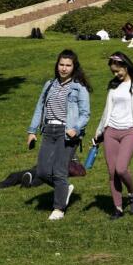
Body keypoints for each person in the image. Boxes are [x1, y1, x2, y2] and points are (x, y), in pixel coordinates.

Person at [25, 49, 91, 221]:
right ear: (57, 65)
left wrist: (76, 128)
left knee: (59, 171)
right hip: (48, 131)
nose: (64, 68)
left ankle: (59, 209)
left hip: (67, 133)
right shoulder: (49, 85)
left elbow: (85, 114)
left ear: (74, 67)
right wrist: (32, 131)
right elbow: (39, 108)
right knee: (42, 171)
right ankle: (64, 189)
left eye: (68, 65)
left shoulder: (79, 88)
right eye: (61, 64)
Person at [92, 52, 133, 220]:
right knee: (113, 172)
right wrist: (99, 131)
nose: (115, 75)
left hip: (130, 131)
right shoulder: (113, 86)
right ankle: (118, 208)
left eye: (117, 71)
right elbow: (107, 111)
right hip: (110, 132)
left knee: (121, 169)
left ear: (126, 66)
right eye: (113, 72)